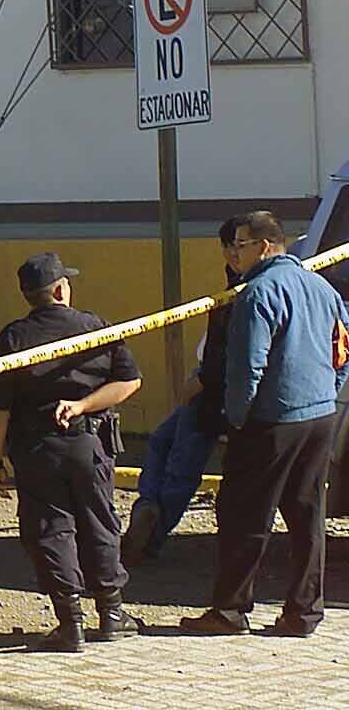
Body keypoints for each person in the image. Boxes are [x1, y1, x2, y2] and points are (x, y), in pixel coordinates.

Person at [181, 211, 349, 637]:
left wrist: (237, 419)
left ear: (264, 247)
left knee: (243, 515)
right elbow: (343, 348)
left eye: (239, 245)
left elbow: (247, 367)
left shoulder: (256, 293)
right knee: (307, 514)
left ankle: (230, 611)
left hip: (272, 420)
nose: (233, 253)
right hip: (320, 415)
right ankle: (304, 613)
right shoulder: (321, 287)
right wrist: (330, 389)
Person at [0, 252, 144, 652]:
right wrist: (84, 405)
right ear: (59, 289)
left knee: (51, 529)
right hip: (91, 443)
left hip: (38, 449)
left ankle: (71, 624)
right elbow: (129, 382)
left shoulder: (13, 338)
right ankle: (112, 613)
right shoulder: (95, 327)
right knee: (99, 523)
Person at [123, 216, 246, 564]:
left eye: (241, 245)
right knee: (164, 442)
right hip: (213, 386)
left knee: (181, 467)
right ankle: (147, 510)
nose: (234, 253)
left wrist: (202, 380)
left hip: (221, 393)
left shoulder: (252, 287)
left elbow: (235, 351)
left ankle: (150, 538)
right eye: (230, 245)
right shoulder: (237, 281)